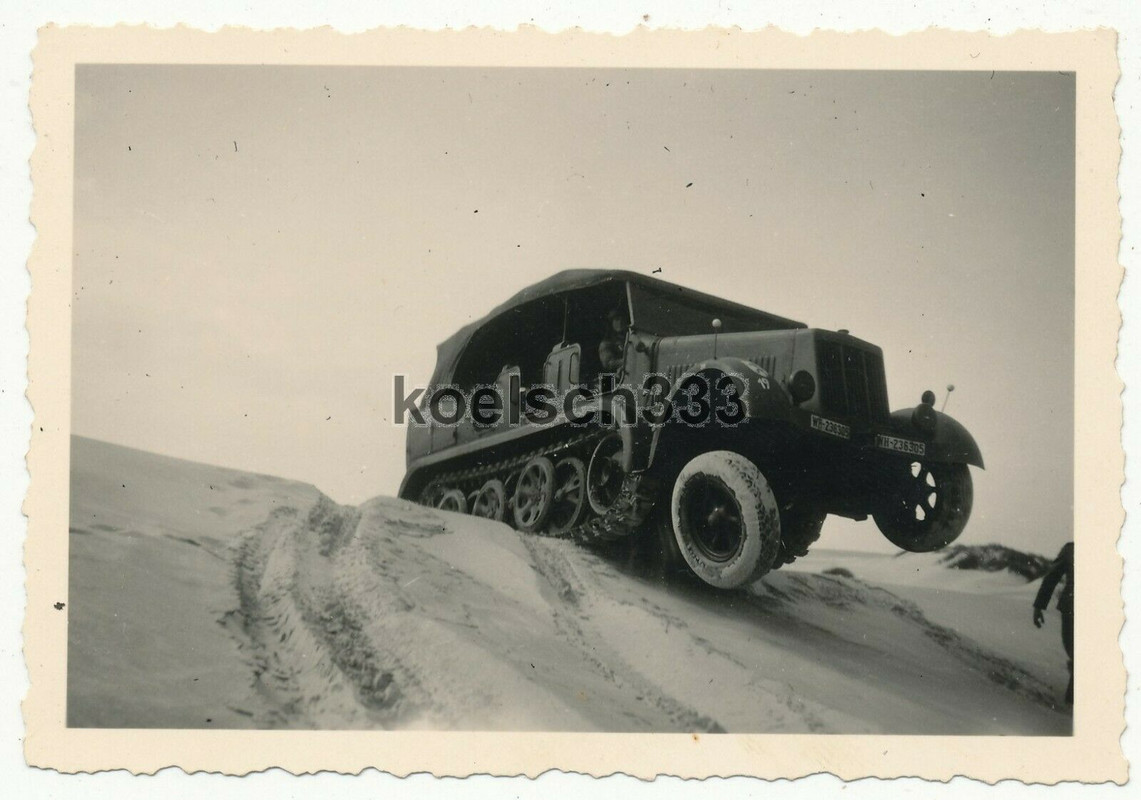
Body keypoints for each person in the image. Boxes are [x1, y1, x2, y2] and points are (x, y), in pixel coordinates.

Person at [1033, 541, 1074, 706]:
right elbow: (1051, 578)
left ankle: (1072, 703)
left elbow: (1051, 577)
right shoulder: (1071, 549)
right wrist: (1039, 606)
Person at [598, 306, 627, 374]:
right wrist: (627, 361)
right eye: (616, 319)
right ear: (611, 323)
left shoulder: (629, 338)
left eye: (622, 319)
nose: (620, 322)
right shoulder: (606, 343)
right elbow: (608, 364)